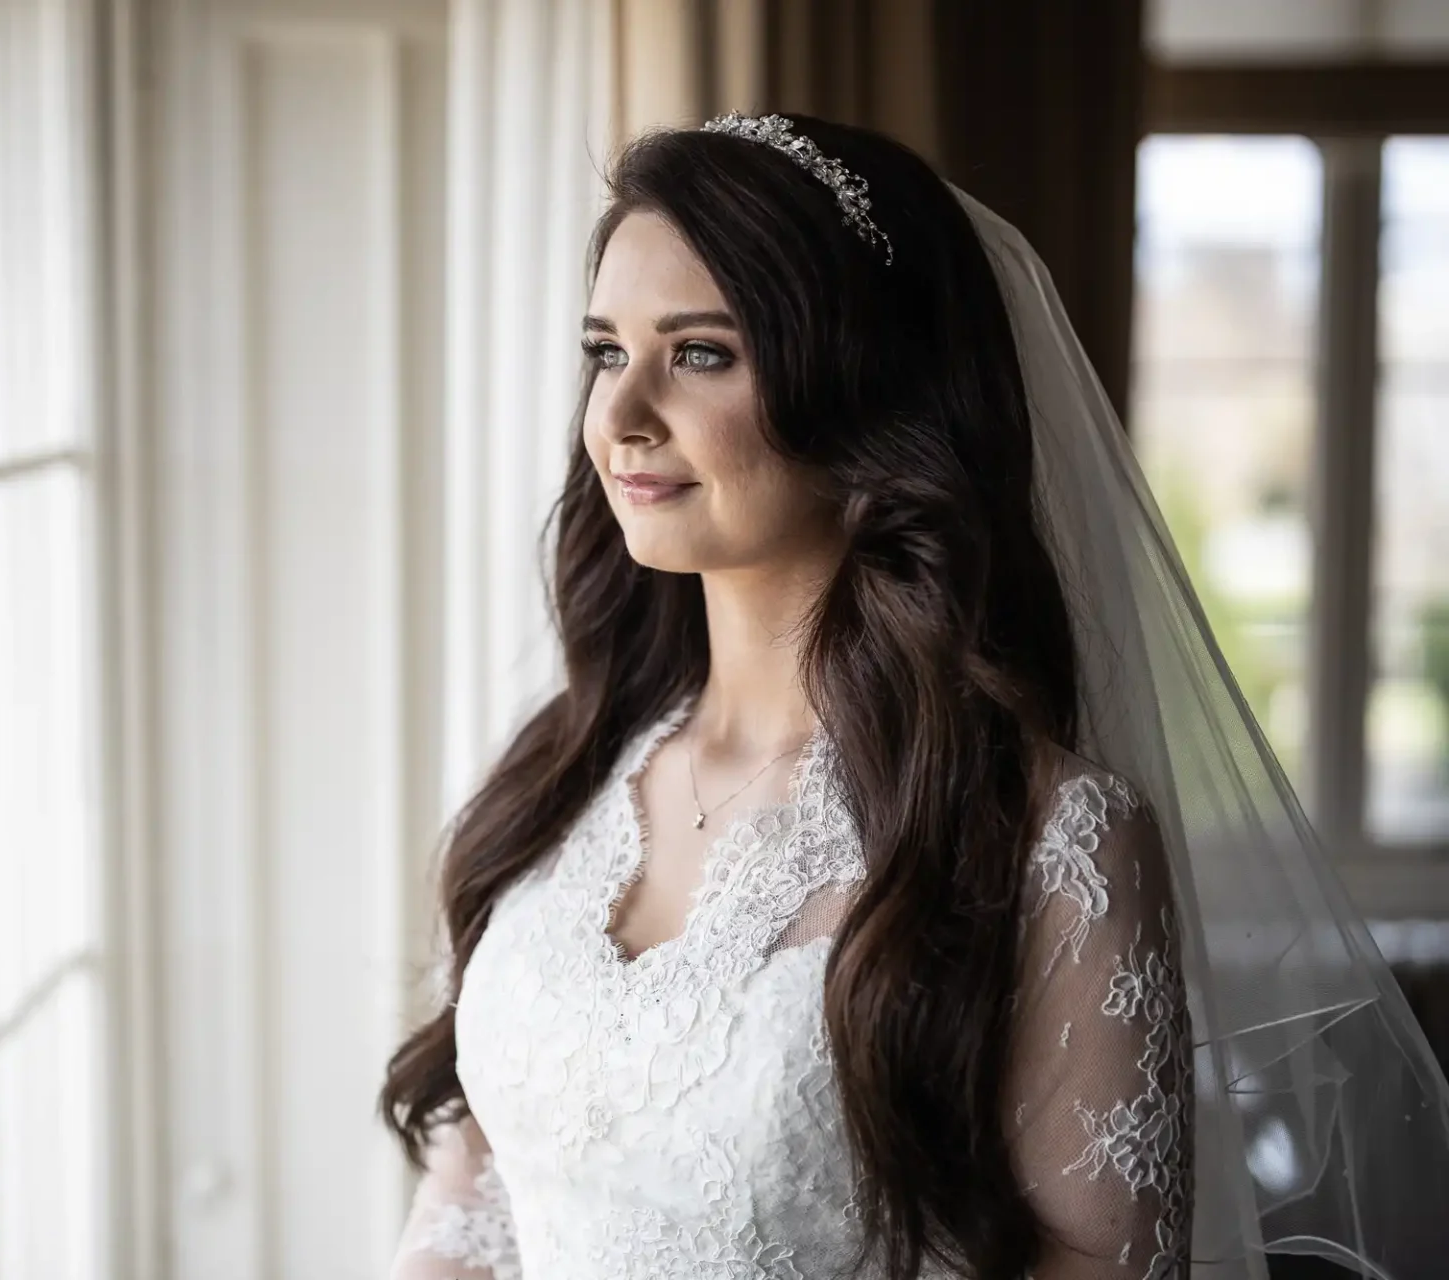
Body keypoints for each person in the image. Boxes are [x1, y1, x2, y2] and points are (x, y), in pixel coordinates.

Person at [377, 112, 1449, 1280]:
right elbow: (469, 1204)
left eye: (699, 353)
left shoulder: (1057, 840)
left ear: (869, 391)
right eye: (604, 350)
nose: (621, 414)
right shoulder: (563, 770)